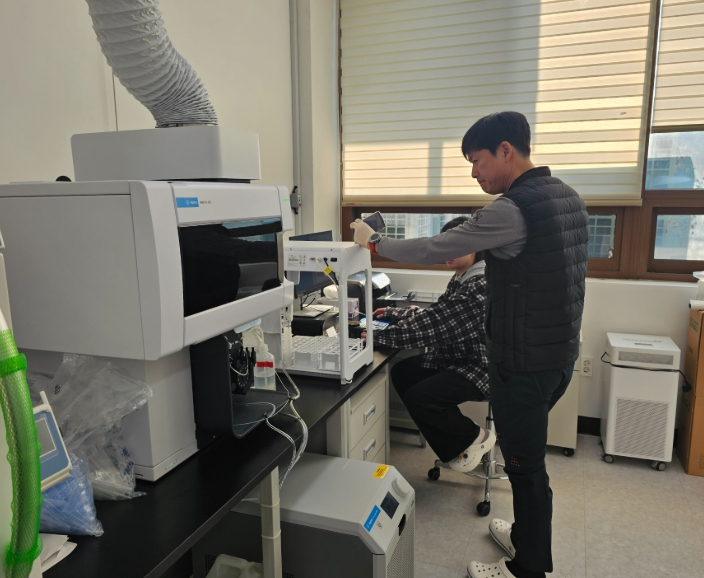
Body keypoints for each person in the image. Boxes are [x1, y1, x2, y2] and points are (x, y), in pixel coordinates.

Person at [350, 111, 589, 578]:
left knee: (525, 468)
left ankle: (527, 569)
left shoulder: (512, 209)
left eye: (477, 160)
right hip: (558, 355)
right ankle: (525, 539)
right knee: (528, 464)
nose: (475, 173)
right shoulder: (567, 197)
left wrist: (375, 242)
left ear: (505, 150)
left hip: (522, 365)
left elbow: (436, 247)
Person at [366, 216, 494, 474]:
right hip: (457, 356)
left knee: (421, 397)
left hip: (479, 366)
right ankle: (456, 446)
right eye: (443, 246)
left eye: (455, 247)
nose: (447, 253)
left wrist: (374, 336)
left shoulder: (478, 284)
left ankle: (475, 436)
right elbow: (440, 314)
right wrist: (396, 314)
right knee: (403, 372)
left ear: (474, 246)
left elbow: (433, 328)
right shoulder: (463, 275)